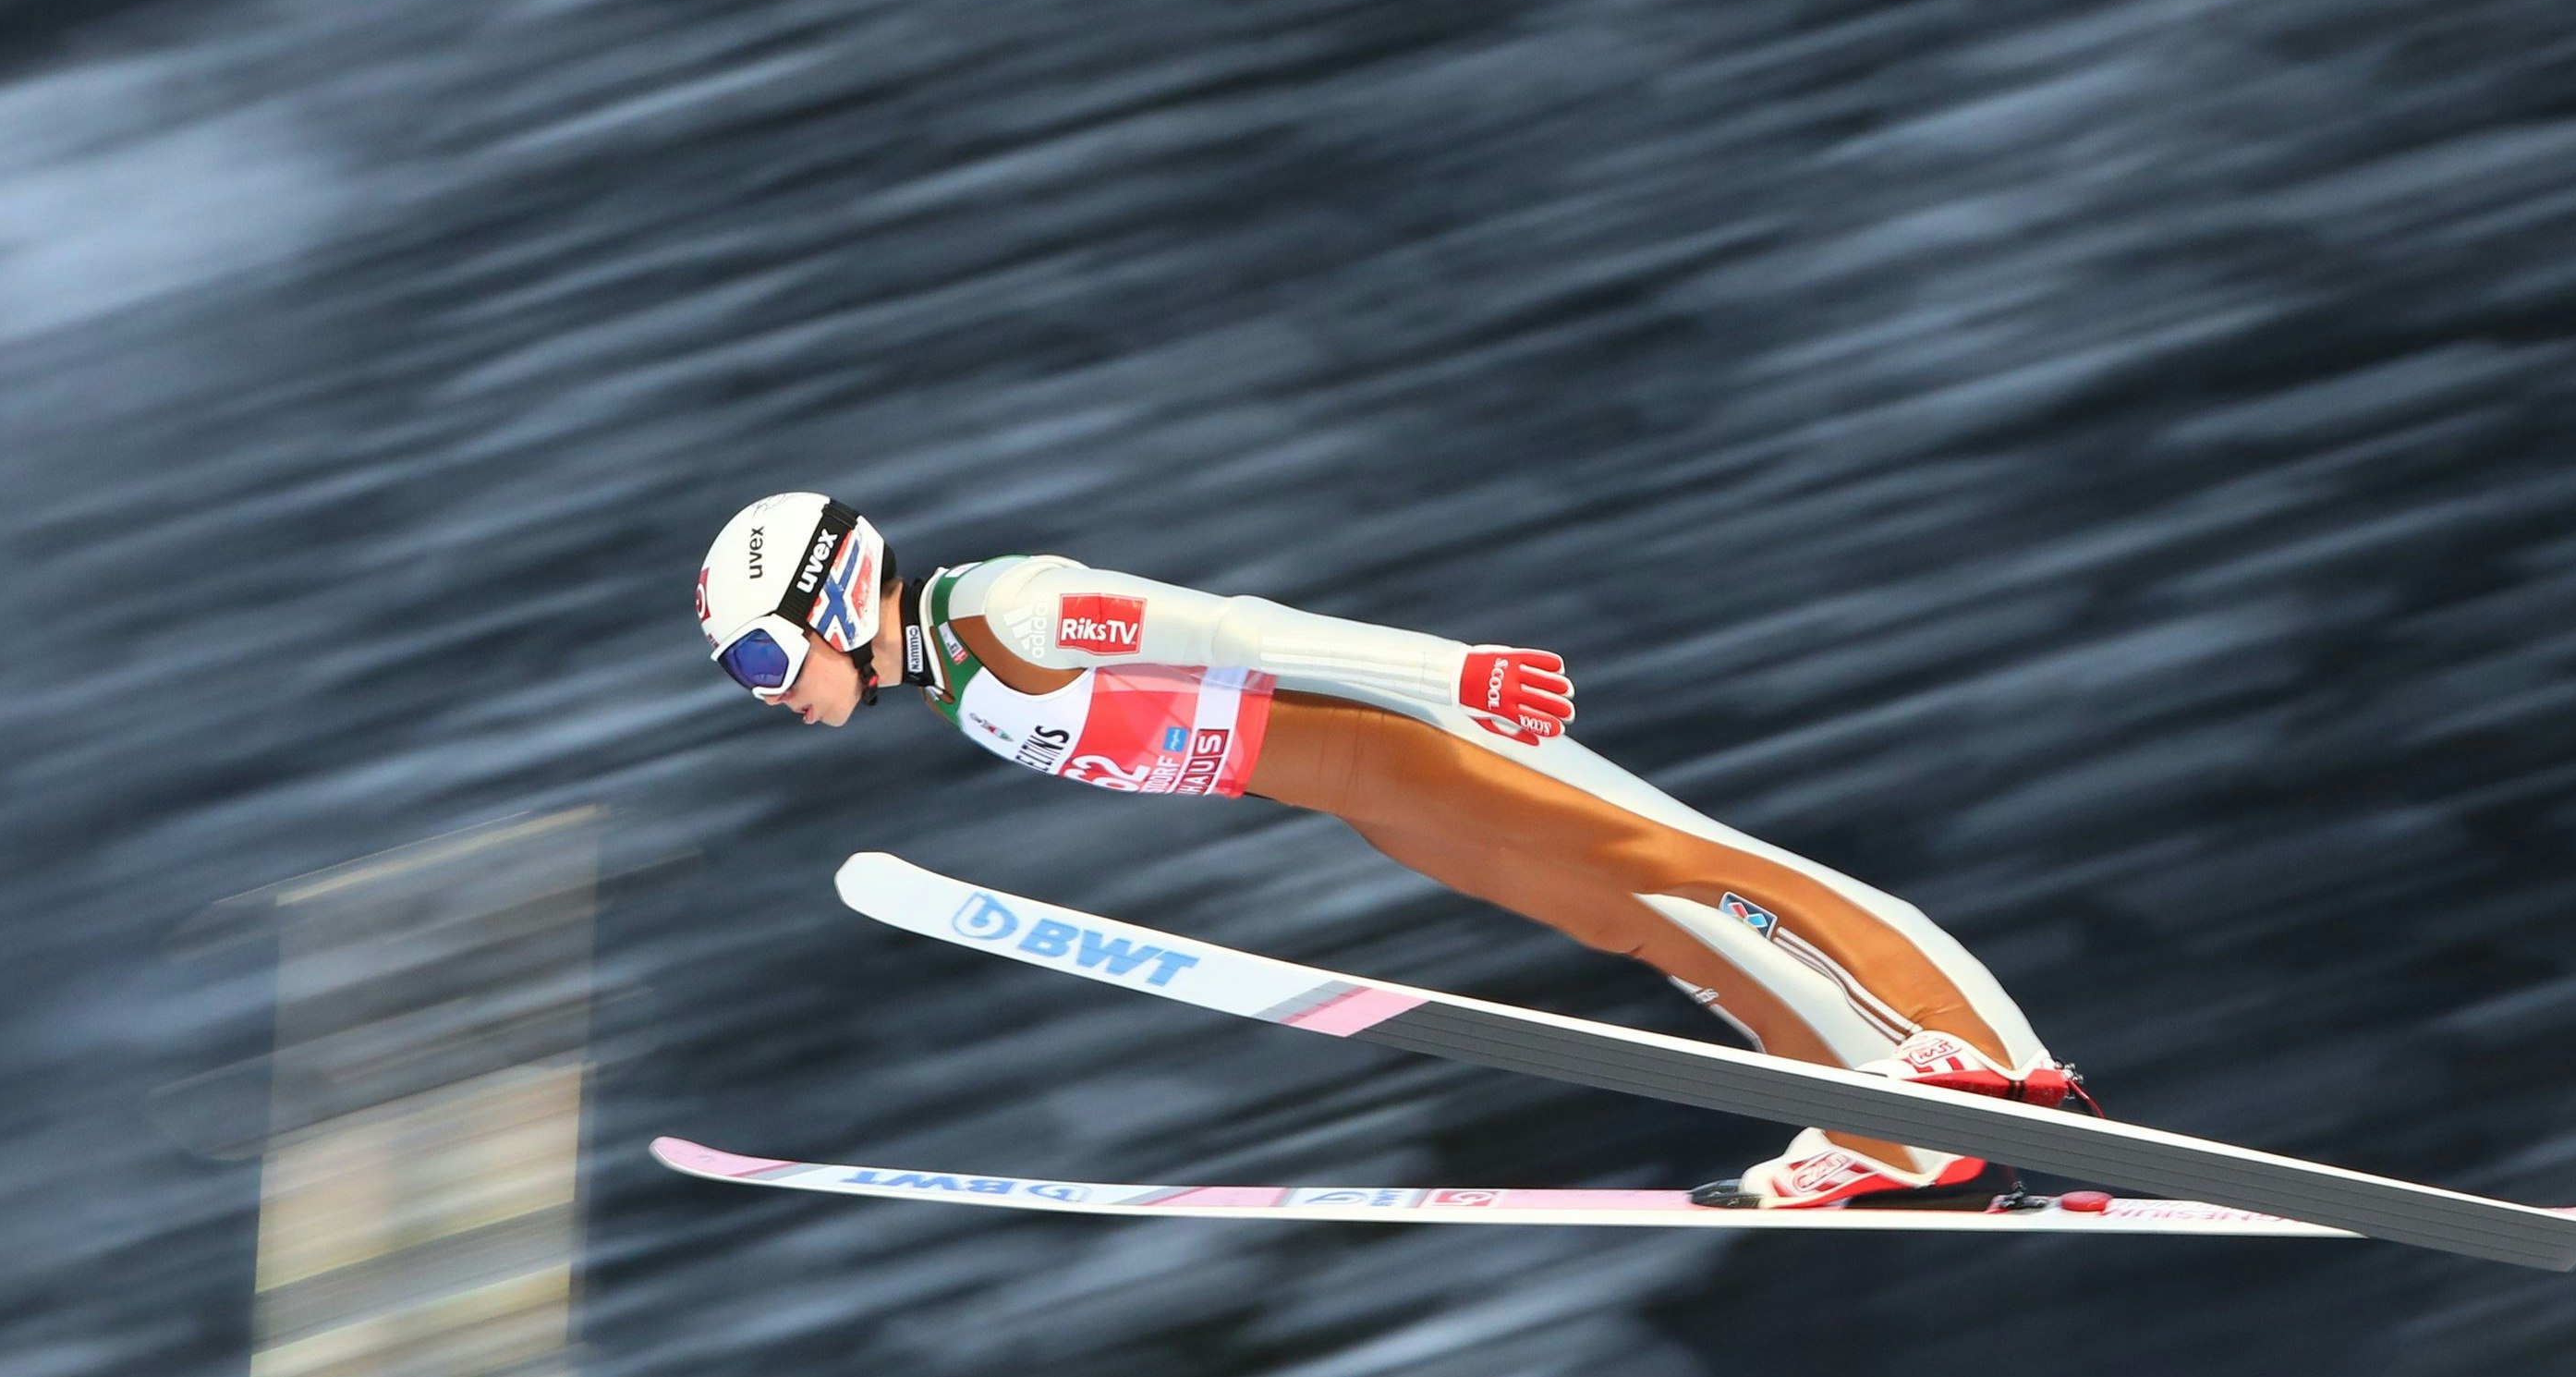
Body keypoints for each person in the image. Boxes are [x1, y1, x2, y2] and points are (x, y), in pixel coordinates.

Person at [694, 492, 2098, 1208]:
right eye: (740, 672)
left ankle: (1959, 1055)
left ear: (835, 591)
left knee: (1675, 861)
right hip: (1371, 791)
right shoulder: (954, 682)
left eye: (763, 651)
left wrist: (1449, 675)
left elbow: (1231, 628)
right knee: (1644, 920)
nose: (767, 690)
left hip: (1407, 736)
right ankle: (1890, 1130)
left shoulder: (1010, 612)